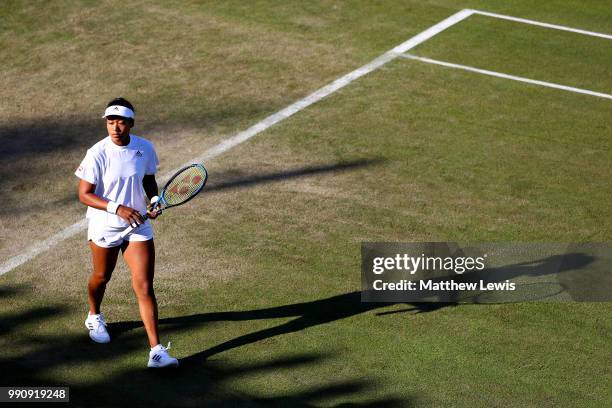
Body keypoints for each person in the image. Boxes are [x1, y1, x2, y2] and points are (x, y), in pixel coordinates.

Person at [75, 97, 178, 368]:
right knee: (101, 276)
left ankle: (156, 351)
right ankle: (94, 315)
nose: (115, 127)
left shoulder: (144, 148)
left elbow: (147, 178)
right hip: (105, 224)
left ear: (131, 123)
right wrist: (117, 208)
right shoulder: (97, 152)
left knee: (144, 285)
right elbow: (84, 194)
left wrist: (154, 201)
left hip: (138, 224)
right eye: (110, 121)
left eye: (121, 121)